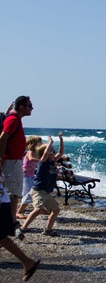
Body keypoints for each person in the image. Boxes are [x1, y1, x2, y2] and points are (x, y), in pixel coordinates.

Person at [17, 133, 64, 238]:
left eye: (53, 152)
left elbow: (61, 152)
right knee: (37, 209)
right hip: (38, 191)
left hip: (47, 192)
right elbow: (45, 153)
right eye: (52, 152)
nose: (54, 154)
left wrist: (61, 139)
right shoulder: (43, 162)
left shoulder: (52, 161)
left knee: (56, 210)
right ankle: (22, 229)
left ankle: (48, 230)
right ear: (46, 154)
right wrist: (49, 143)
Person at [0, 96, 33, 226]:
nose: (32, 109)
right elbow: (3, 138)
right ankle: (12, 222)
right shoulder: (13, 120)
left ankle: (11, 220)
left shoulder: (15, 119)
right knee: (13, 192)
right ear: (21, 107)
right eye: (30, 106)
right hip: (11, 162)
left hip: (14, 160)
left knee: (12, 192)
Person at [0, 176, 40, 282]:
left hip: (2, 200)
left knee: (1, 238)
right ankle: (27, 262)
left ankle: (27, 262)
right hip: (3, 198)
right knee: (1, 238)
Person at [16, 135, 43, 219]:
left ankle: (39, 209)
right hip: (25, 175)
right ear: (34, 143)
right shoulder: (30, 152)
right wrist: (41, 160)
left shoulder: (37, 152)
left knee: (36, 191)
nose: (41, 144)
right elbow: (31, 159)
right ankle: (19, 211)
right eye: (39, 142)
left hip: (31, 175)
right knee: (28, 193)